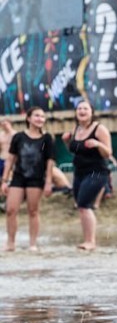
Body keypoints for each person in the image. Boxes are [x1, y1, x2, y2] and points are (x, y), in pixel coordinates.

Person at [60, 100, 113, 251]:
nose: (82, 111)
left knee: (84, 204)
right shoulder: (76, 128)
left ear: (91, 112)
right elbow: (75, 150)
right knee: (80, 206)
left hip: (97, 172)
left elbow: (108, 153)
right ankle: (86, 240)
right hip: (79, 172)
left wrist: (98, 144)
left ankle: (91, 241)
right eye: (79, 108)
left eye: (85, 108)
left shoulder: (99, 129)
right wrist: (66, 142)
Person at [1, 107, 54, 251]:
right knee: (11, 209)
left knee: (33, 211)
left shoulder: (47, 139)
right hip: (18, 177)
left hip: (36, 179)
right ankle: (11, 243)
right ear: (28, 118)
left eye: (42, 117)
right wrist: (4, 180)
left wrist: (48, 182)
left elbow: (50, 161)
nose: (40, 119)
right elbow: (10, 159)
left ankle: (32, 243)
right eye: (37, 116)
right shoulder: (18, 137)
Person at [0, 119, 13, 186]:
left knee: (10, 178)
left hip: (12, 159)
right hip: (2, 158)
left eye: (6, 124)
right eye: (2, 125)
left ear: (10, 124)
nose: (4, 126)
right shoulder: (1, 135)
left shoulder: (16, 135)